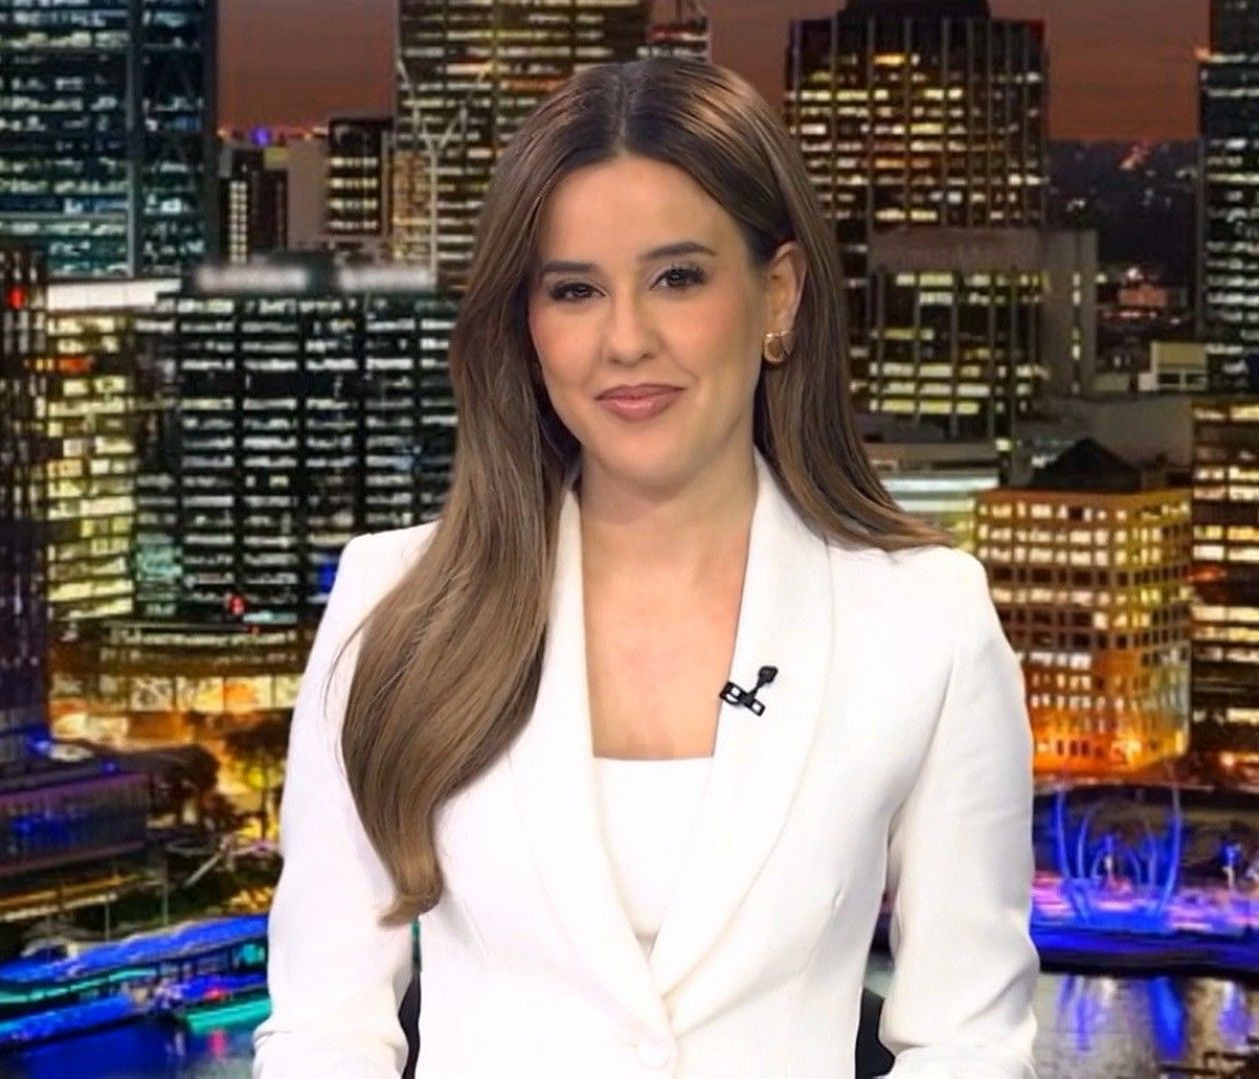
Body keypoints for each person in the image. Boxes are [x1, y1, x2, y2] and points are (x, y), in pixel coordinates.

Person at [253, 57, 1037, 1078]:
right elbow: (324, 1031)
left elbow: (968, 1042)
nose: (625, 339)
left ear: (778, 295)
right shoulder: (395, 604)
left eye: (678, 278)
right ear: (527, 324)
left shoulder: (926, 619)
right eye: (575, 290)